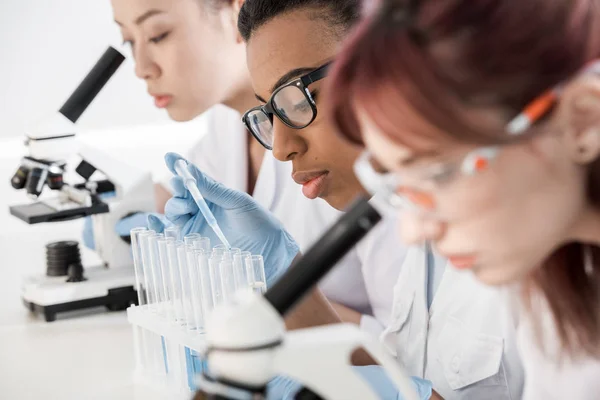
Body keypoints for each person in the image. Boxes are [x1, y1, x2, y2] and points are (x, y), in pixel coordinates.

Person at [156, 0, 524, 398]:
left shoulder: (537, 238)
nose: (280, 149)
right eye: (270, 113)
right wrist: (282, 269)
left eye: (297, 99)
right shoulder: (422, 235)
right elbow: (406, 383)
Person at [327, 0, 600, 399]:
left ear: (582, 121)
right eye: (395, 180)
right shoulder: (560, 282)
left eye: (437, 174)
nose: (411, 231)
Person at [89, 0, 373, 319]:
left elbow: (407, 351)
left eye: (158, 35)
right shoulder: (229, 125)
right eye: (129, 41)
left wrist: (266, 289)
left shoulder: (358, 145)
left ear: (237, 11)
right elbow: (180, 198)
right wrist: (116, 210)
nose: (141, 68)